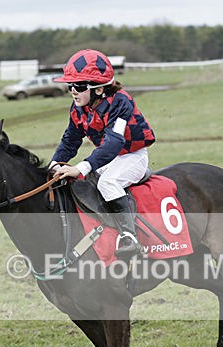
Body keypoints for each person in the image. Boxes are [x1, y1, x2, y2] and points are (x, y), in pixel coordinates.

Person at [50, 49, 155, 259]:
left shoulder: (120, 102)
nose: (73, 91)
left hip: (132, 157)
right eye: (70, 86)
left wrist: (80, 167)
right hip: (110, 158)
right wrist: (55, 163)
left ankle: (129, 236)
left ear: (98, 90)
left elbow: (114, 143)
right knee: (84, 183)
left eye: (79, 86)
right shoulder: (78, 107)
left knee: (107, 183)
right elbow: (71, 139)